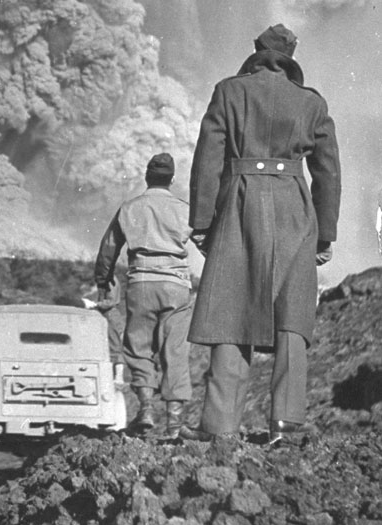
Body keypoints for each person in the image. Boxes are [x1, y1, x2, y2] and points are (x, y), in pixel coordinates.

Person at [183, 24, 340, 445]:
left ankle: (219, 426)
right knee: (292, 316)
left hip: (238, 204)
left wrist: (202, 221)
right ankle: (286, 424)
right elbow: (327, 172)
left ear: (256, 51)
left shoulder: (228, 91)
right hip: (294, 207)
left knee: (231, 311)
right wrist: (325, 234)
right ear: (291, 55)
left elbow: (208, 159)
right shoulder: (311, 103)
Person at [95, 152, 193, 439]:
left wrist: (104, 280)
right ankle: (175, 423)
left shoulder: (130, 208)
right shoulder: (185, 209)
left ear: (146, 177)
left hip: (141, 284)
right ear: (172, 179)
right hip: (176, 286)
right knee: (175, 351)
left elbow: (108, 249)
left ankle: (146, 410)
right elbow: (207, 242)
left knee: (138, 347)